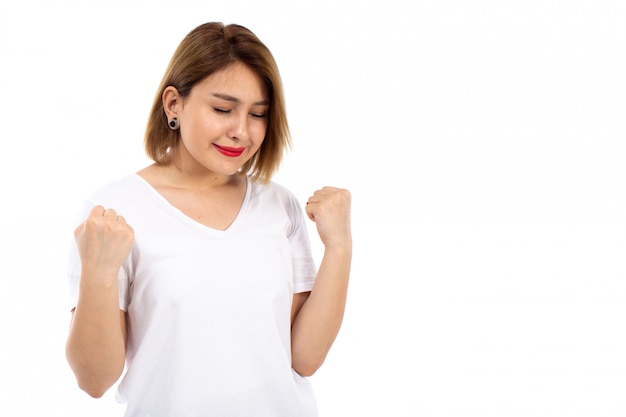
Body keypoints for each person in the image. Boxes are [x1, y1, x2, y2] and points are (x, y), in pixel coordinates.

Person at [65, 22, 351, 417]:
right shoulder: (115, 211)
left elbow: (304, 358)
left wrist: (339, 247)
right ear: (173, 105)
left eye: (258, 114)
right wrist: (97, 277)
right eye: (222, 109)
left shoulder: (279, 207)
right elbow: (94, 380)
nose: (241, 131)